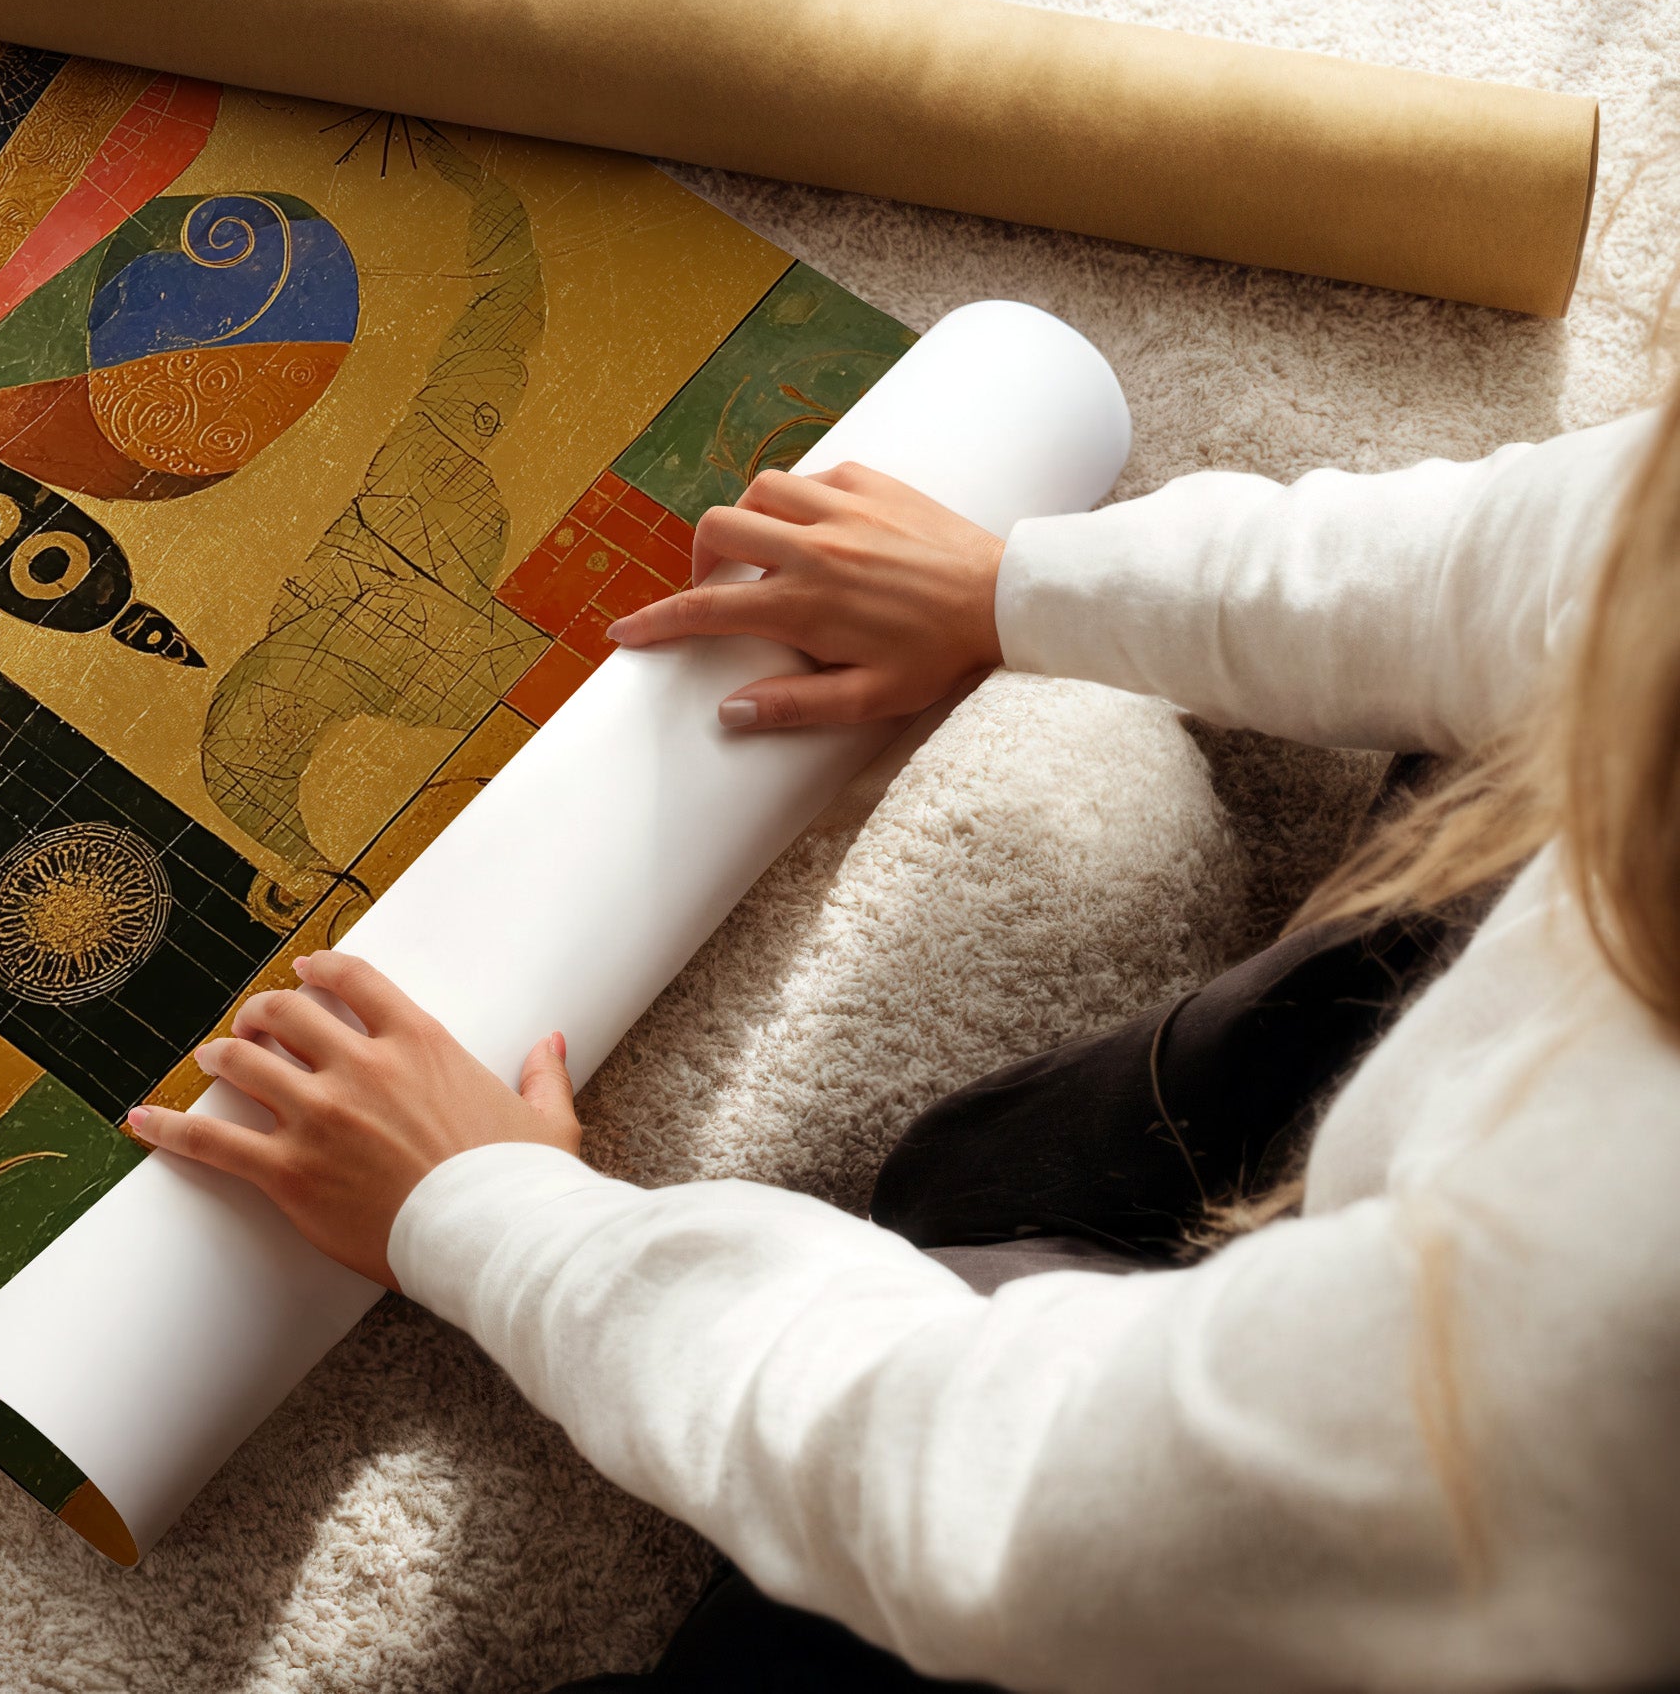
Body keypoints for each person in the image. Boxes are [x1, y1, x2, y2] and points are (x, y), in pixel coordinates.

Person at [123, 392, 1680, 1691]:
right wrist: (1012, 586)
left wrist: (490, 1214)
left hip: (1439, 1543)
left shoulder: (1604, 1312)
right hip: (1478, 1199)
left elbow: (1010, 1497)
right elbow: (1554, 554)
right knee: (993, 1172)